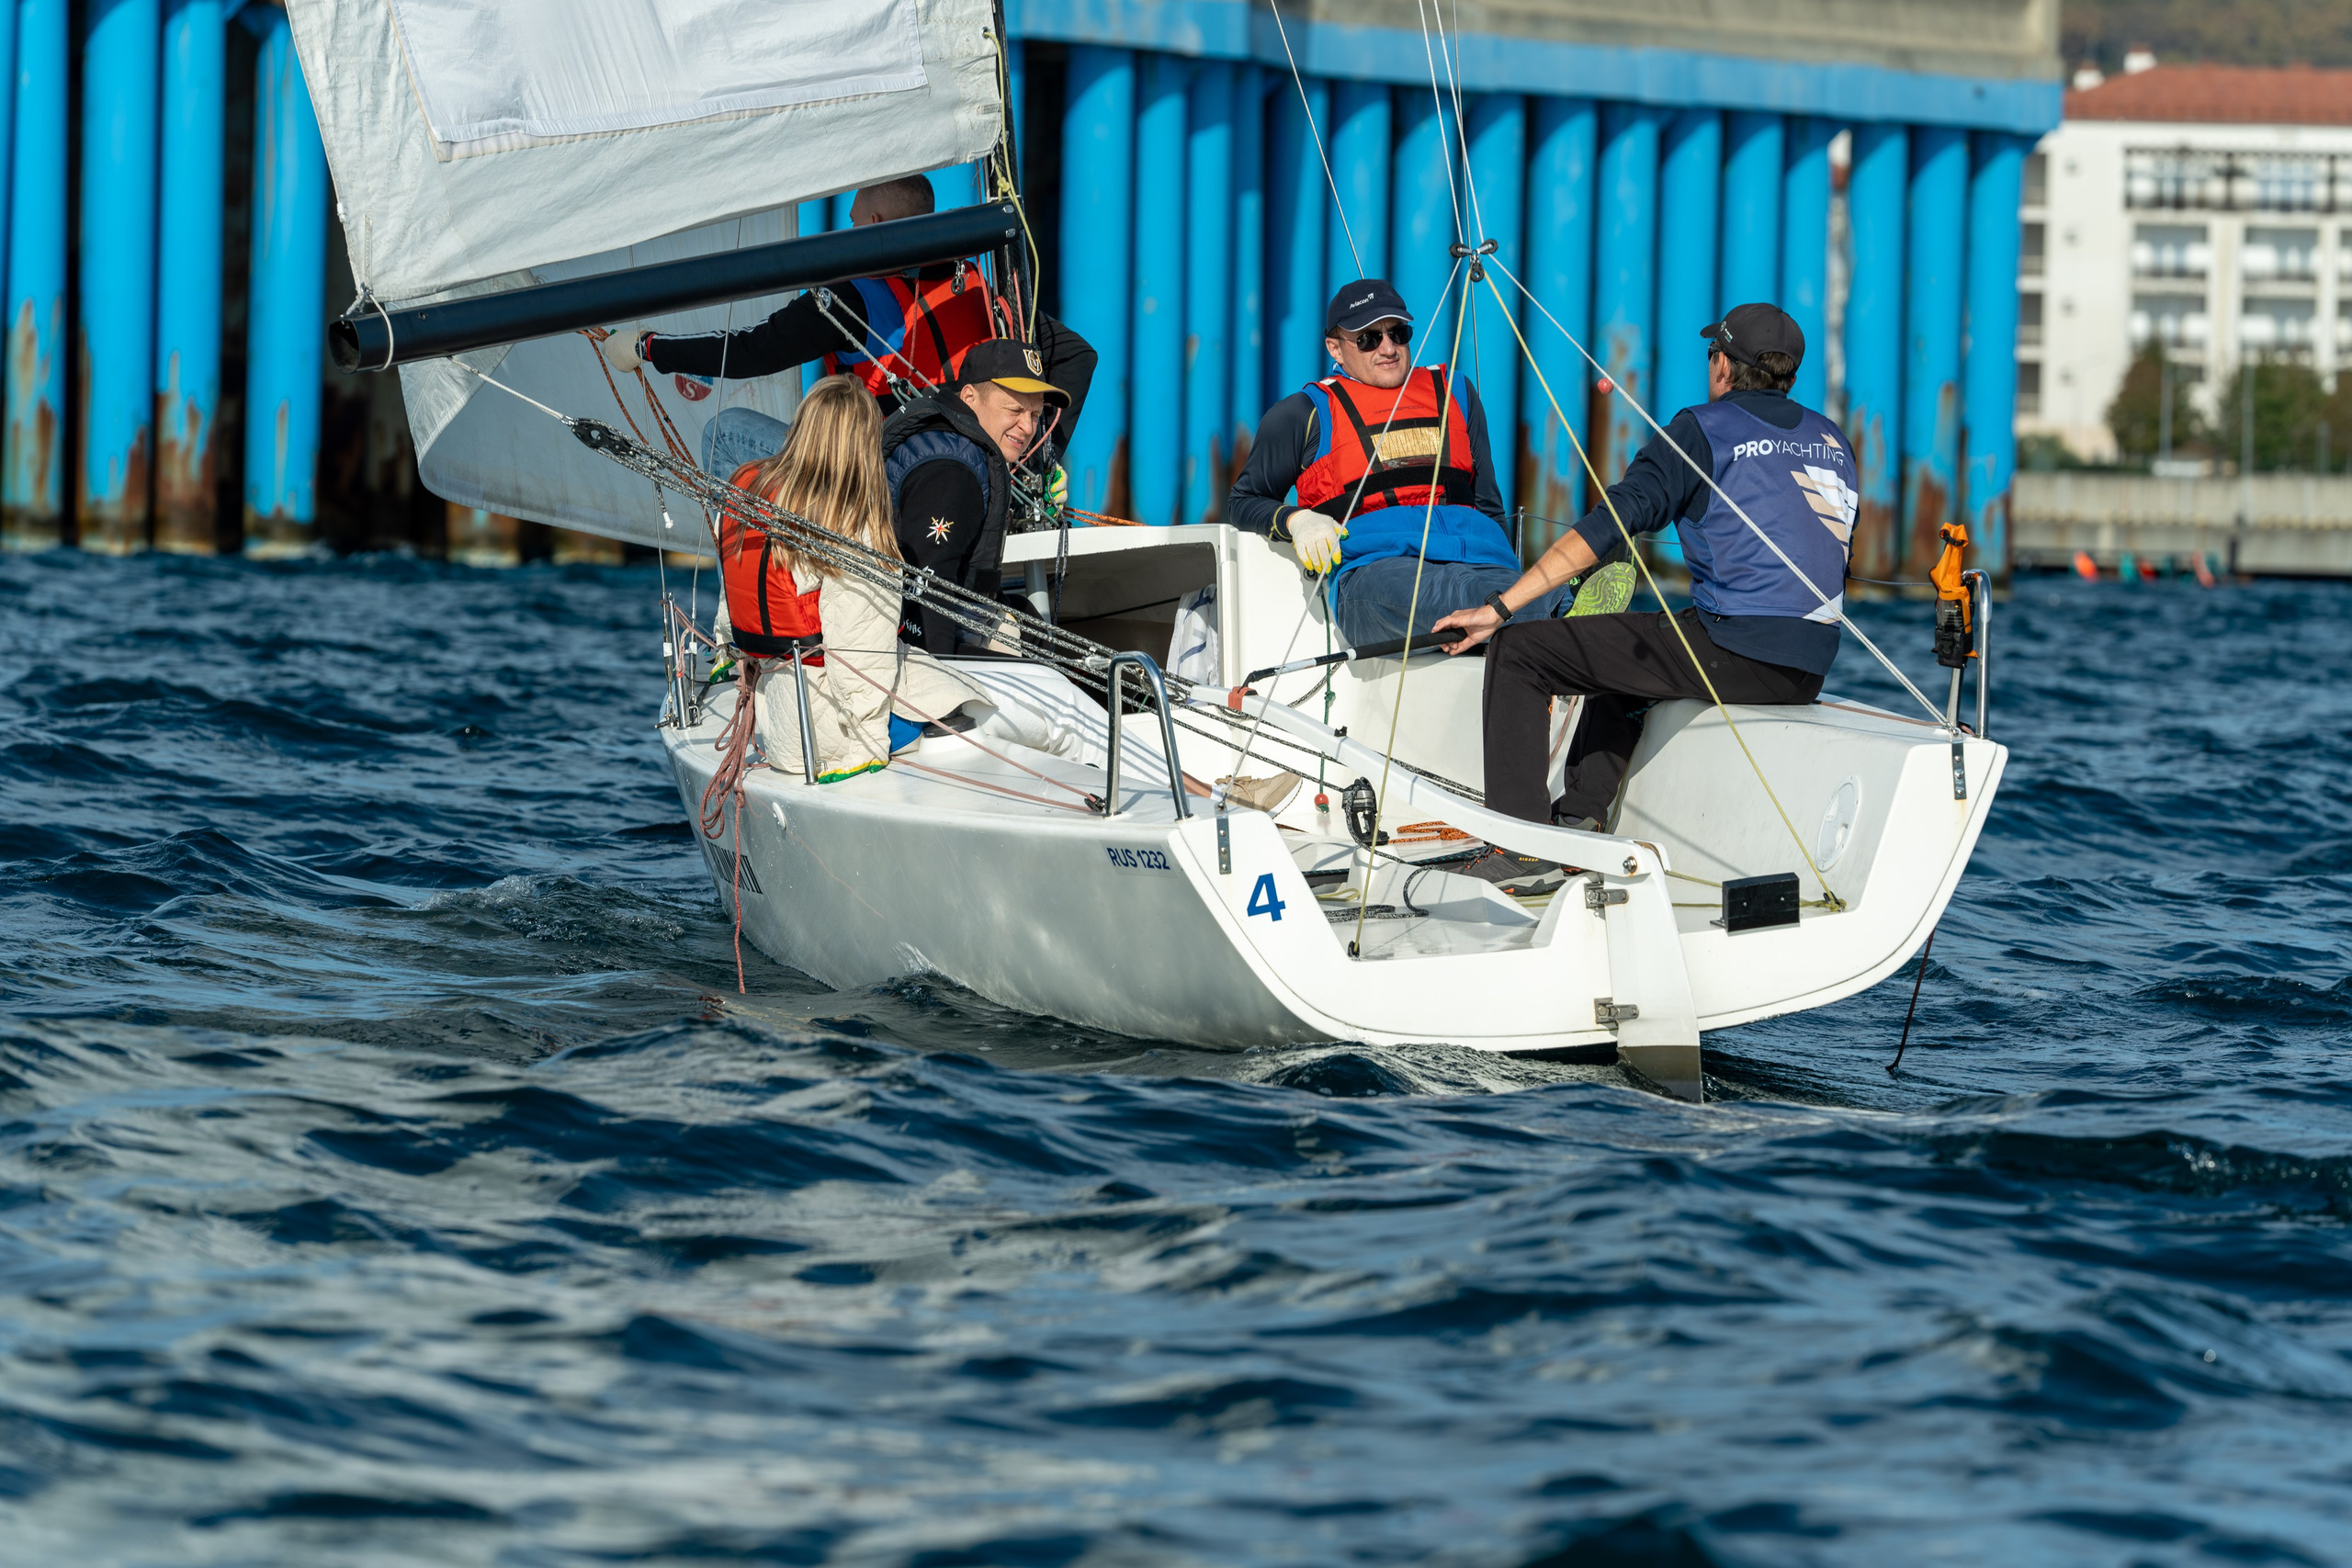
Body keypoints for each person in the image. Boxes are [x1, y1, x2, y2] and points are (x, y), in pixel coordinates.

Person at [1431, 302, 1855, 889]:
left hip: (1738, 652)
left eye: (1712, 355)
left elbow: (1613, 524)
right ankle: (1580, 819)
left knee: (1521, 653)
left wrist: (1499, 609)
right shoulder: (1832, 439)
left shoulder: (1704, 428)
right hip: (1811, 665)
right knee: (1633, 650)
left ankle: (1522, 847)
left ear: (1723, 367)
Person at [598, 175, 1096, 477]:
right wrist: (1037, 457)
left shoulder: (851, 298)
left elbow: (751, 352)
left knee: (724, 434)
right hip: (980, 472)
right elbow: (1078, 355)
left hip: (886, 477)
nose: (850, 236)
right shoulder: (979, 287)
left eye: (856, 226)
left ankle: (752, 610)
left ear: (877, 227)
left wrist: (648, 348)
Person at [1227, 278, 1563, 647]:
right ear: (1335, 349)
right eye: (1369, 339)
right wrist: (1297, 519)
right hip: (1374, 573)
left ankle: (1566, 610)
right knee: (1448, 590)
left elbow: (1488, 506)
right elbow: (1243, 501)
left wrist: (1504, 565)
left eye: (1398, 333)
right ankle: (1565, 606)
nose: (1388, 348)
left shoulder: (1458, 393)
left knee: (1490, 586)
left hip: (1478, 560)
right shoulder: (1302, 414)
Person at [717, 375, 1002, 781]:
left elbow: (734, 596)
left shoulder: (749, 490)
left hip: (776, 717)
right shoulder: (852, 526)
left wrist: (725, 655)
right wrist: (868, 745)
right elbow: (859, 649)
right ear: (864, 443)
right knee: (978, 706)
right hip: (827, 734)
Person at [879, 337, 1068, 654]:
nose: (1027, 426)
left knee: (1045, 639)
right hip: (922, 644)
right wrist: (941, 691)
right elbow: (929, 596)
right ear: (969, 398)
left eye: (1035, 415)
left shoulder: (959, 445)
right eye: (1015, 409)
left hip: (963, 618)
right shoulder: (953, 473)